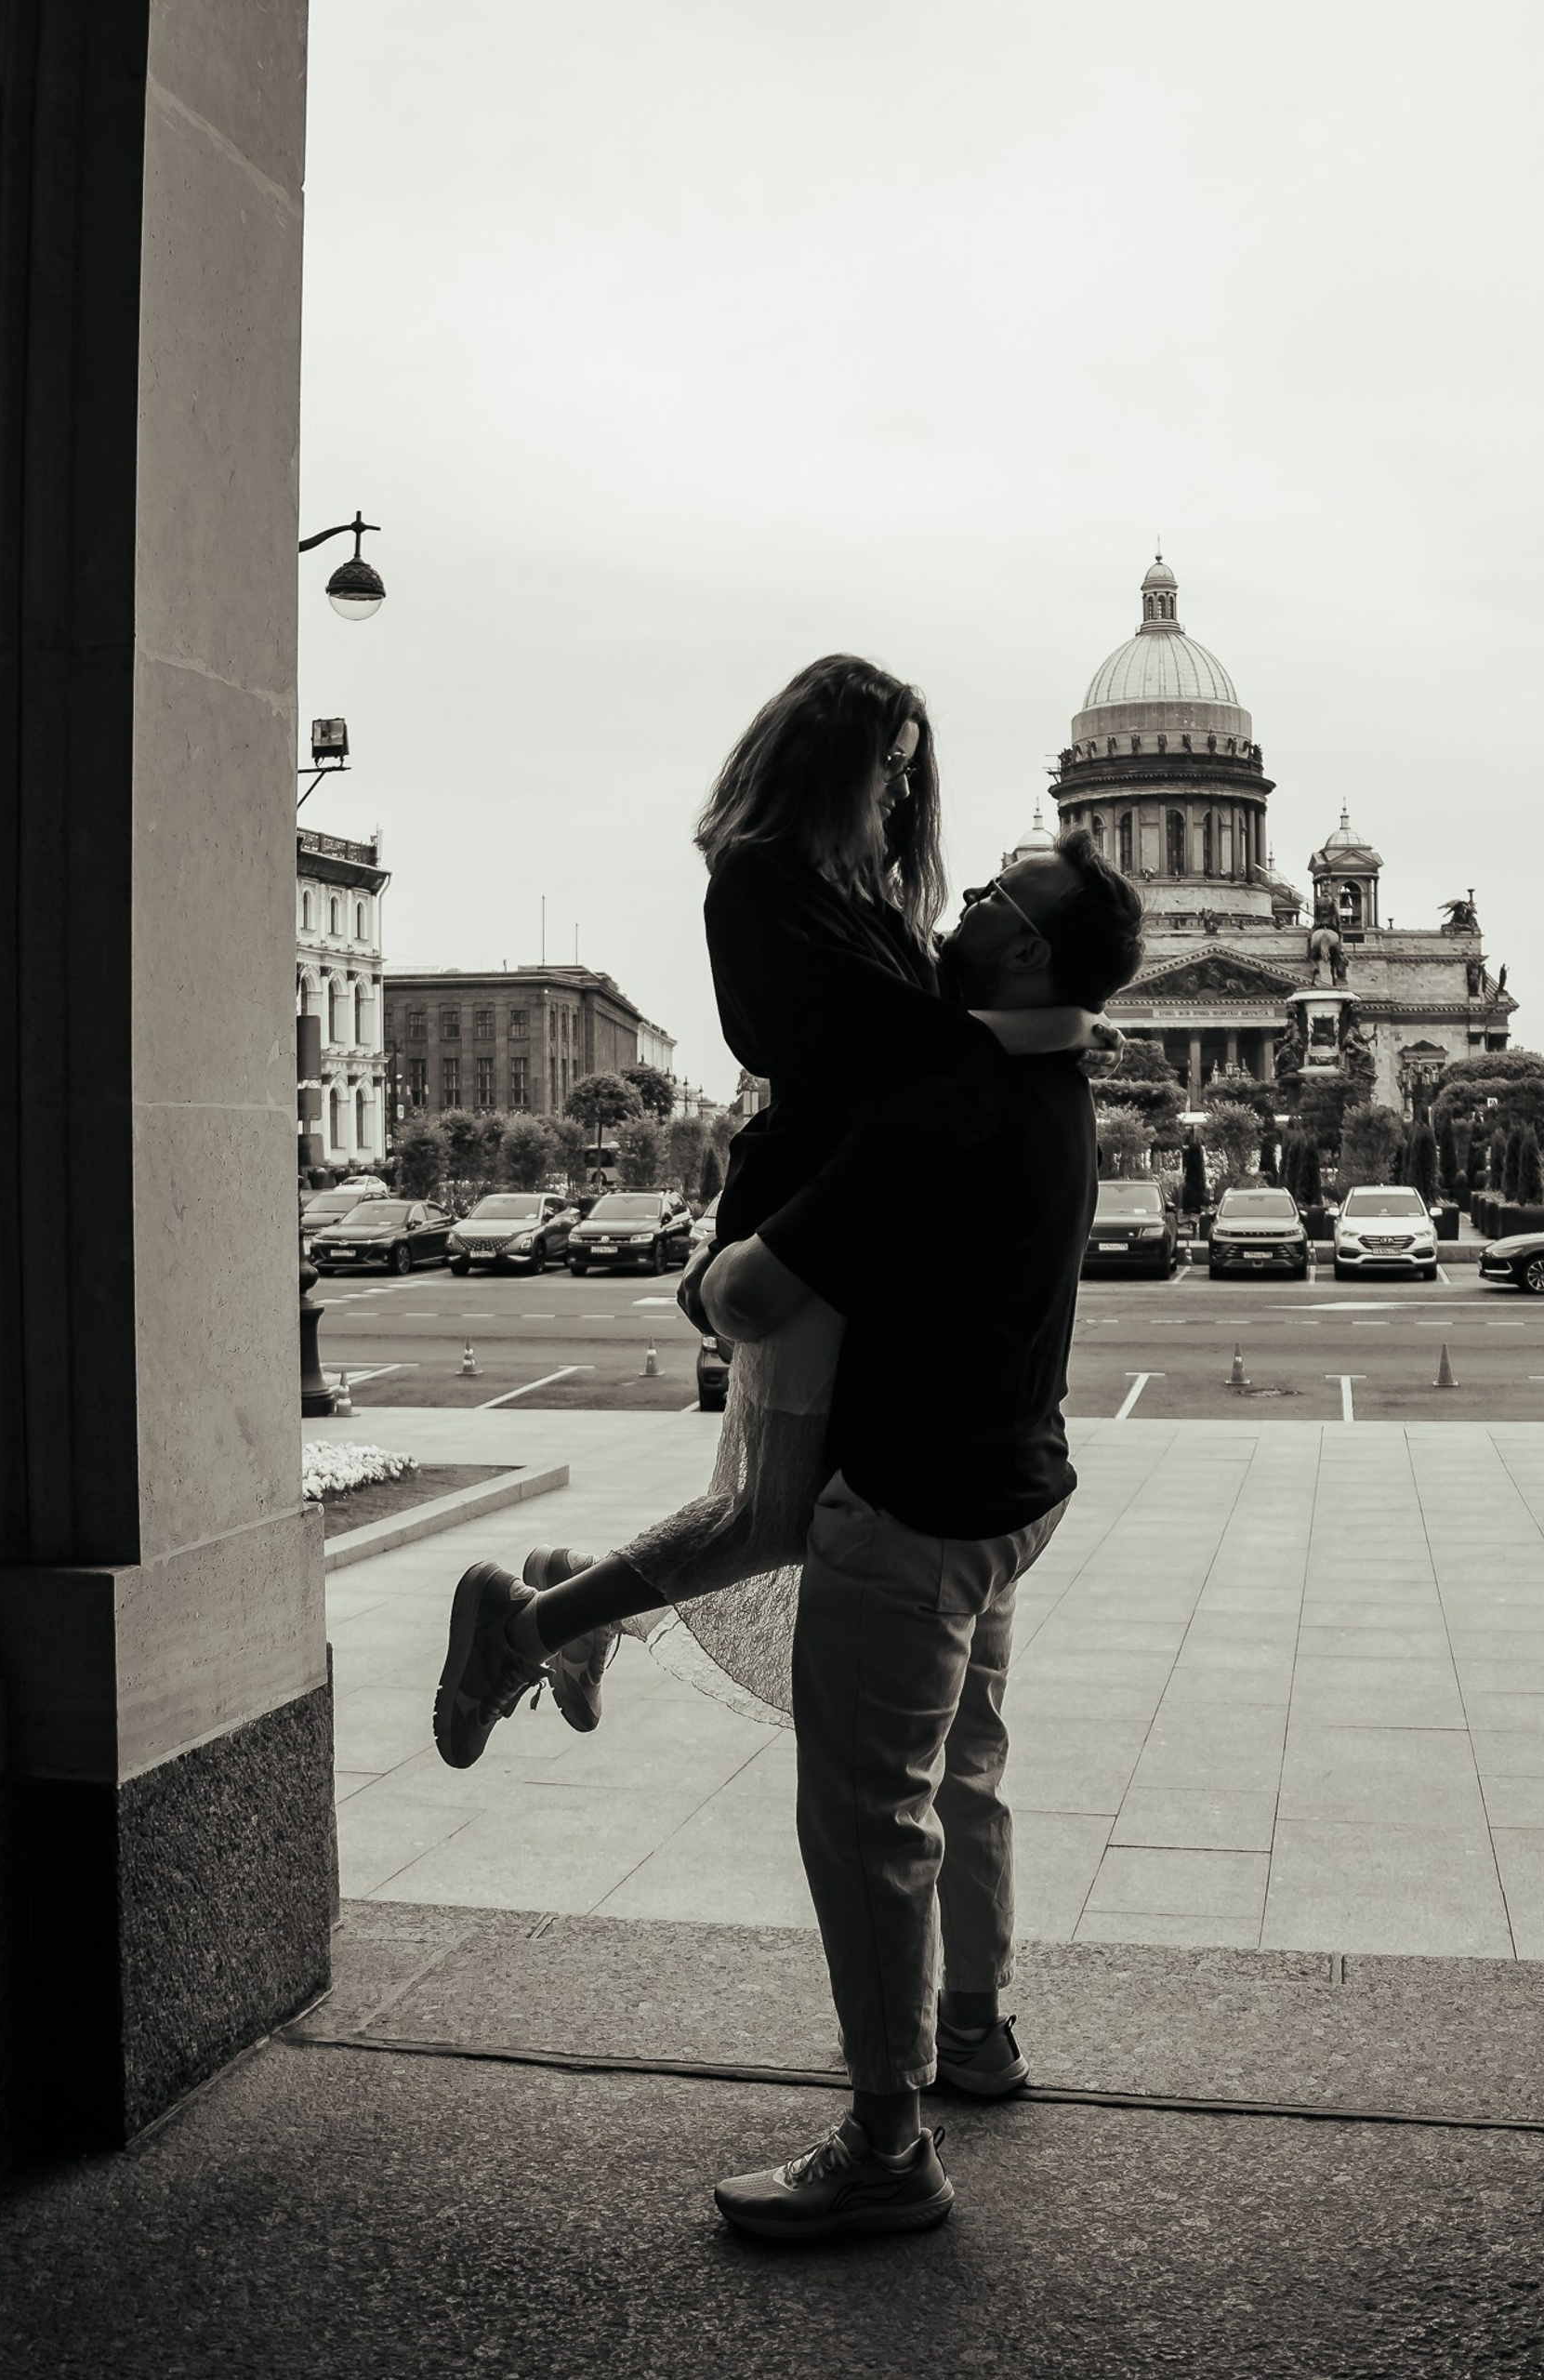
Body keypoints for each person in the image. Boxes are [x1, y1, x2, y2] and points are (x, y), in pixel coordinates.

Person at [432, 656, 1106, 1766]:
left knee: (781, 1510)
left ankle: (559, 1604)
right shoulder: (759, 879)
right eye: (887, 768)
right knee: (770, 1514)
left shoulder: (865, 894)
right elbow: (843, 1037)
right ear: (827, 758)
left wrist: (1027, 1034)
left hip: (846, 1222)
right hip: (802, 1217)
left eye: (909, 771)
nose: (902, 793)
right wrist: (1032, 1039)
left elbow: (924, 1029)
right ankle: (522, 1623)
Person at [704, 829, 1144, 2239]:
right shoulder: (1056, 1078)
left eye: (993, 901)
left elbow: (758, 1301)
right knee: (969, 1774)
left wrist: (710, 1266)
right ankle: (976, 2032)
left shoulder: (950, 1096)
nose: (957, 909)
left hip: (911, 1507)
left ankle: (889, 2148)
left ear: (1023, 947)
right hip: (1015, 1491)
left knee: (865, 1819)